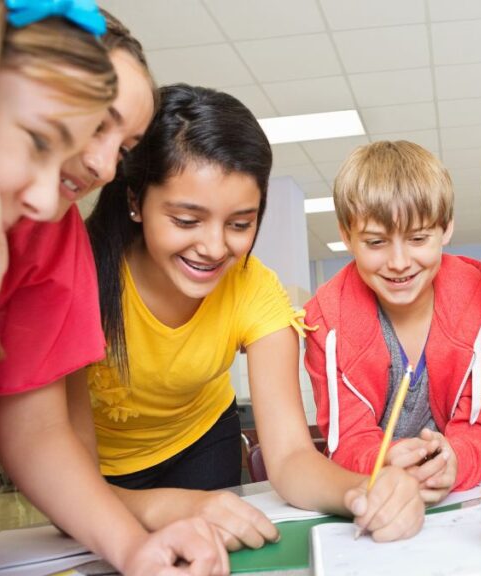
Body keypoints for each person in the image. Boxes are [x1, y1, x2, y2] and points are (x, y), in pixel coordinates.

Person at [73, 83, 425, 543]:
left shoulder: (255, 289)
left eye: (240, 224)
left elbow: (291, 457)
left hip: (201, 446)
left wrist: (363, 492)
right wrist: (171, 505)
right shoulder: (81, 277)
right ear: (136, 200)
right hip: (94, 472)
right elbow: (65, 479)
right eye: (186, 220)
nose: (215, 247)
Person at [0, 1, 230, 572]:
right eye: (45, 137)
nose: (107, 168)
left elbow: (37, 429)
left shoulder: (50, 231)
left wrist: (131, 546)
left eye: (127, 148)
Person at [303, 140, 481, 503]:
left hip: (462, 501)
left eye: (418, 238)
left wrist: (457, 460)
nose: (399, 262)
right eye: (376, 242)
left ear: (446, 229)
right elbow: (347, 440)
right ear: (346, 235)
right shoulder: (326, 320)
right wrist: (382, 460)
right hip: (379, 498)